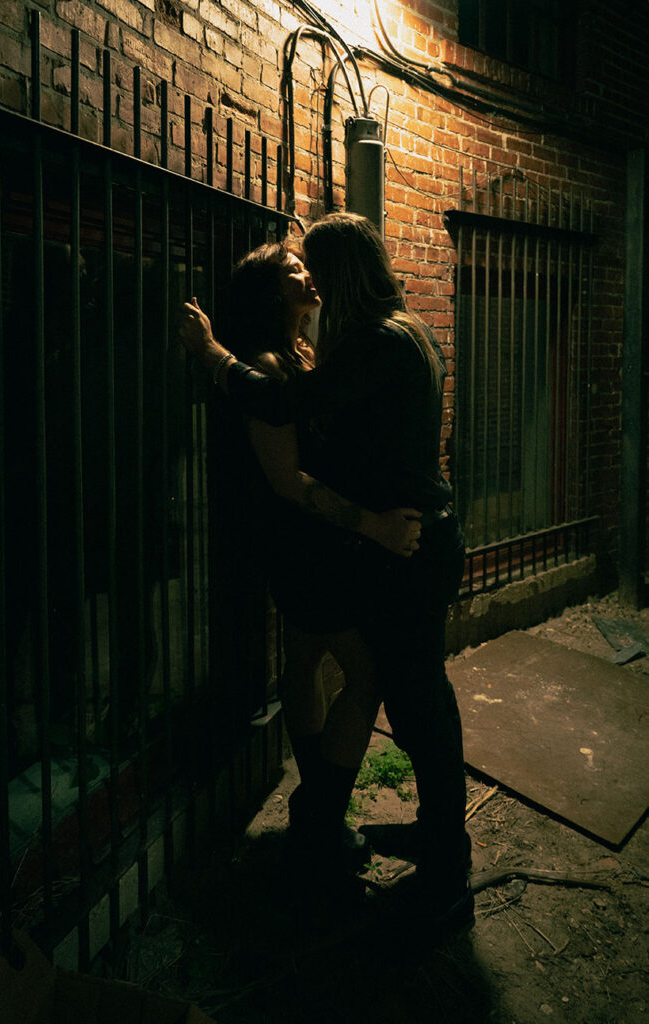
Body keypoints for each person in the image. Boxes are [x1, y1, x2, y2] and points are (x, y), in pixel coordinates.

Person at [180, 213, 473, 938]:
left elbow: (286, 407)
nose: (307, 276)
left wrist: (213, 355)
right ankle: (367, 828)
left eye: (313, 264)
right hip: (377, 541)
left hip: (405, 545)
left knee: (416, 704)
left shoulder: (366, 344)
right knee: (390, 688)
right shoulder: (402, 329)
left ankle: (436, 860)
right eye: (293, 269)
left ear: (338, 274)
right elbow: (292, 451)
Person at [216, 241, 423, 869]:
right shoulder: (269, 366)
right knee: (366, 675)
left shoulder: (305, 353)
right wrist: (374, 526)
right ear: (272, 293)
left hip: (312, 543)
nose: (307, 272)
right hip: (302, 543)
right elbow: (289, 482)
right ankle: (325, 818)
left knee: (304, 656)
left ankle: (314, 811)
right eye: (292, 269)